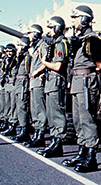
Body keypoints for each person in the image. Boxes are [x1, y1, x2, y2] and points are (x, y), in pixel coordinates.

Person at [63, 5, 101, 172]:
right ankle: (81, 152)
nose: (73, 21)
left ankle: (91, 157)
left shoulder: (92, 40)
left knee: (87, 120)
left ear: (84, 18)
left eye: (75, 18)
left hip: (86, 81)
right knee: (78, 120)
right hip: (77, 81)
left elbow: (100, 65)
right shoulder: (80, 40)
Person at [37, 16, 69, 158]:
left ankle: (58, 143)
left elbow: (58, 65)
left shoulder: (61, 43)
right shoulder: (54, 43)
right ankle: (54, 141)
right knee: (51, 113)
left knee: (57, 114)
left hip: (56, 83)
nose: (49, 31)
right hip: (51, 82)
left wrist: (44, 62)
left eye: (51, 27)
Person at [24, 24, 48, 148]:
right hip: (33, 83)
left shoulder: (42, 45)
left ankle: (41, 135)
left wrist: (37, 72)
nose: (28, 36)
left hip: (38, 82)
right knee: (34, 109)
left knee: (39, 109)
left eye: (30, 33)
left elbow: (45, 62)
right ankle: (37, 133)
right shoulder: (34, 47)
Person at [13, 36, 32, 143]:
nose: (18, 48)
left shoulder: (26, 57)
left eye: (20, 45)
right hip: (19, 82)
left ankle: (24, 130)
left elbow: (27, 71)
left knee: (22, 106)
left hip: (23, 82)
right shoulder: (21, 57)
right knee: (19, 106)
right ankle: (22, 128)